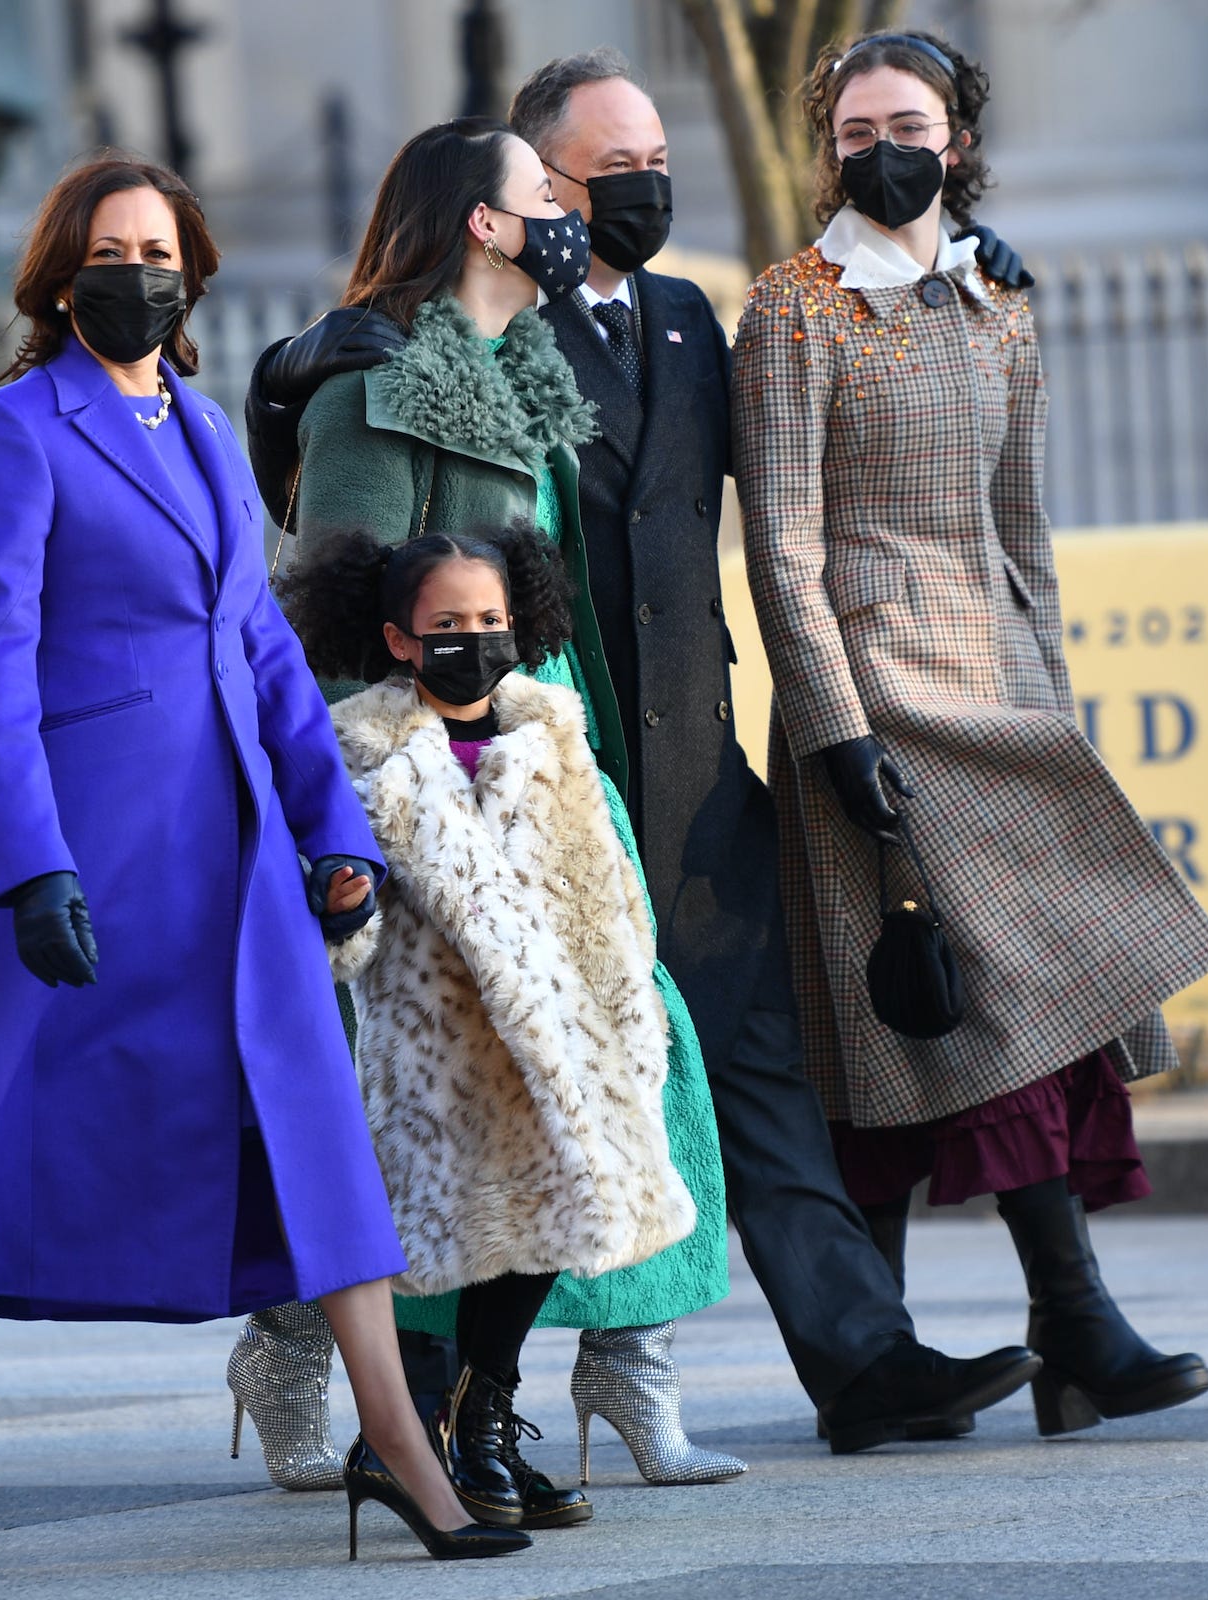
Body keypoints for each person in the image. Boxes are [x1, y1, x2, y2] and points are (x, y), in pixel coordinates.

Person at [244, 47, 1047, 1461]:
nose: (642, 190)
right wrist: (297, 363)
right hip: (501, 769)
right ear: (525, 195)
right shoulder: (479, 345)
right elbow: (345, 541)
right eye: (606, 172)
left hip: (664, 761)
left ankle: (849, 1363)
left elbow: (828, 432)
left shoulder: (684, 321)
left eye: (656, 159)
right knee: (483, 1086)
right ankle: (380, 1379)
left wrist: (953, 264)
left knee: (734, 1066)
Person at [0, 152, 529, 1575]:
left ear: (194, 272)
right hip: (81, 849)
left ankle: (397, 1441)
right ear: (61, 275)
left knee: (313, 1134)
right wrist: (27, 863)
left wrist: (332, 827)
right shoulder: (10, 430)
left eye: (160, 252)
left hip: (230, 853)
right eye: (110, 252)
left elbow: (263, 646)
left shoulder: (211, 425)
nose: (138, 276)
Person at [733, 29, 1208, 1438]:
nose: (883, 146)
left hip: (1002, 686)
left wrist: (1054, 706)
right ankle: (1051, 1329)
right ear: (827, 149)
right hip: (880, 690)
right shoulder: (795, 307)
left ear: (957, 137)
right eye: (854, 130)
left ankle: (959, 1352)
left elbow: (1027, 525)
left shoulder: (1000, 297)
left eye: (912, 121)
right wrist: (832, 731)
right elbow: (780, 543)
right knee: (955, 1002)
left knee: (974, 1005)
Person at [239, 113, 738, 1496]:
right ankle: (356, 1373)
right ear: (482, 219)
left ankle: (596, 1372)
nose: (571, 209)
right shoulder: (378, 381)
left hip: (545, 751)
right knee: (448, 1098)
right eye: (543, 192)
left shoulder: (526, 361)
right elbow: (340, 606)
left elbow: (560, 581)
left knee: (620, 1058)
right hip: (431, 776)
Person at [277, 522, 699, 1531]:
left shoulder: (550, 731)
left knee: (552, 1219)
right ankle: (447, 1435)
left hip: (564, 1034)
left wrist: (632, 1013)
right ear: (398, 636)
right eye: (449, 624)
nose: (476, 638)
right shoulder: (363, 752)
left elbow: (604, 888)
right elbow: (343, 927)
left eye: (493, 619)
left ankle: (481, 1422)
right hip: (442, 1056)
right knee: (469, 1236)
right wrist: (341, 903)